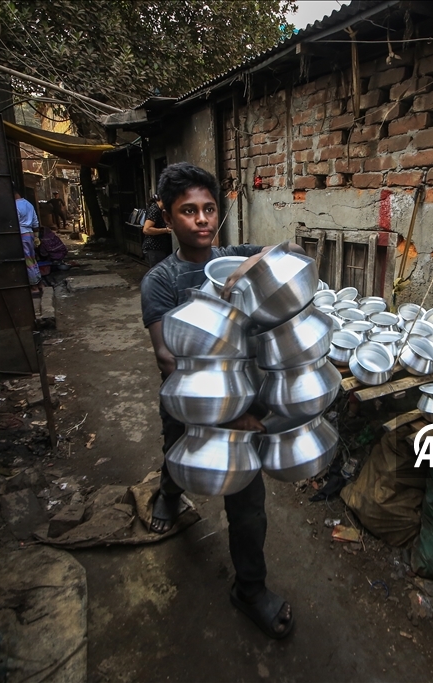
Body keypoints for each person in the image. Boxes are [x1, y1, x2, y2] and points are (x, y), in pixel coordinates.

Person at [140, 162, 301, 640]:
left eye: (209, 209)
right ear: (168, 221)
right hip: (191, 404)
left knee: (247, 502)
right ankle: (168, 495)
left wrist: (287, 256)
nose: (202, 219)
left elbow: (279, 255)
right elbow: (168, 360)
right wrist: (236, 416)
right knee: (177, 458)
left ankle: (250, 589)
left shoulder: (234, 259)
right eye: (188, 211)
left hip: (244, 401)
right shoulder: (161, 282)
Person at [14, 187, 41, 290]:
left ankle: (34, 285)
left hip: (22, 234)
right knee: (32, 259)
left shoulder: (15, 206)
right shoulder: (28, 204)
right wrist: (36, 237)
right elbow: (35, 222)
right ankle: (39, 282)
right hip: (30, 233)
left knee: (27, 260)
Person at [141, 194, 172, 270]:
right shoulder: (154, 210)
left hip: (162, 247)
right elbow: (146, 229)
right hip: (154, 248)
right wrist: (165, 230)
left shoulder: (161, 210)